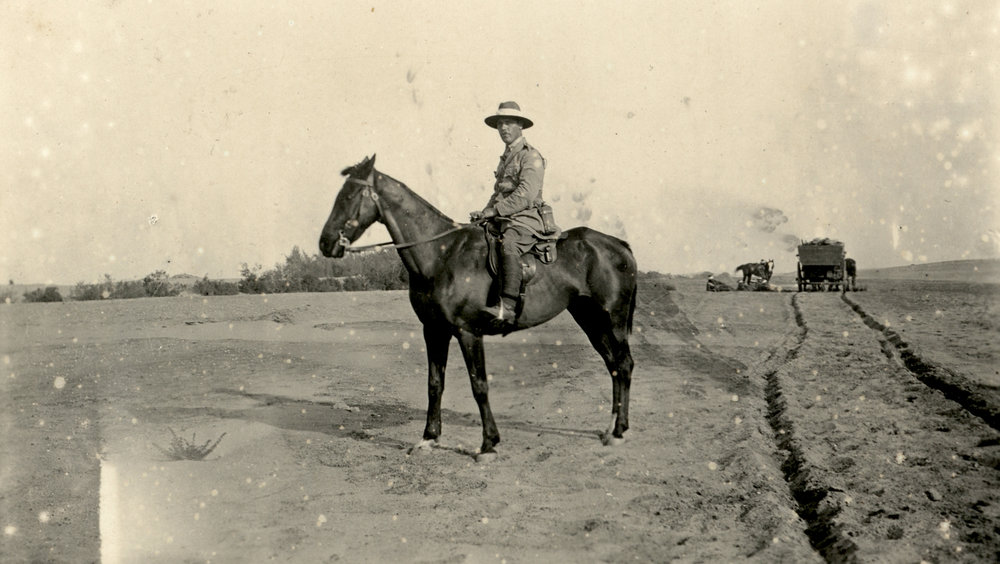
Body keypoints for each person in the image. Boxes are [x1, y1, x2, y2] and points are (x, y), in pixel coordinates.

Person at [470, 101, 547, 323]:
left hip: (525, 218)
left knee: (508, 243)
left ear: (520, 125)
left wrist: (495, 210)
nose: (503, 128)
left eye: (508, 123)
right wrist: (485, 211)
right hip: (504, 217)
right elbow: (499, 193)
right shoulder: (506, 157)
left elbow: (526, 194)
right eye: (500, 124)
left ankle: (508, 305)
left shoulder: (530, 155)